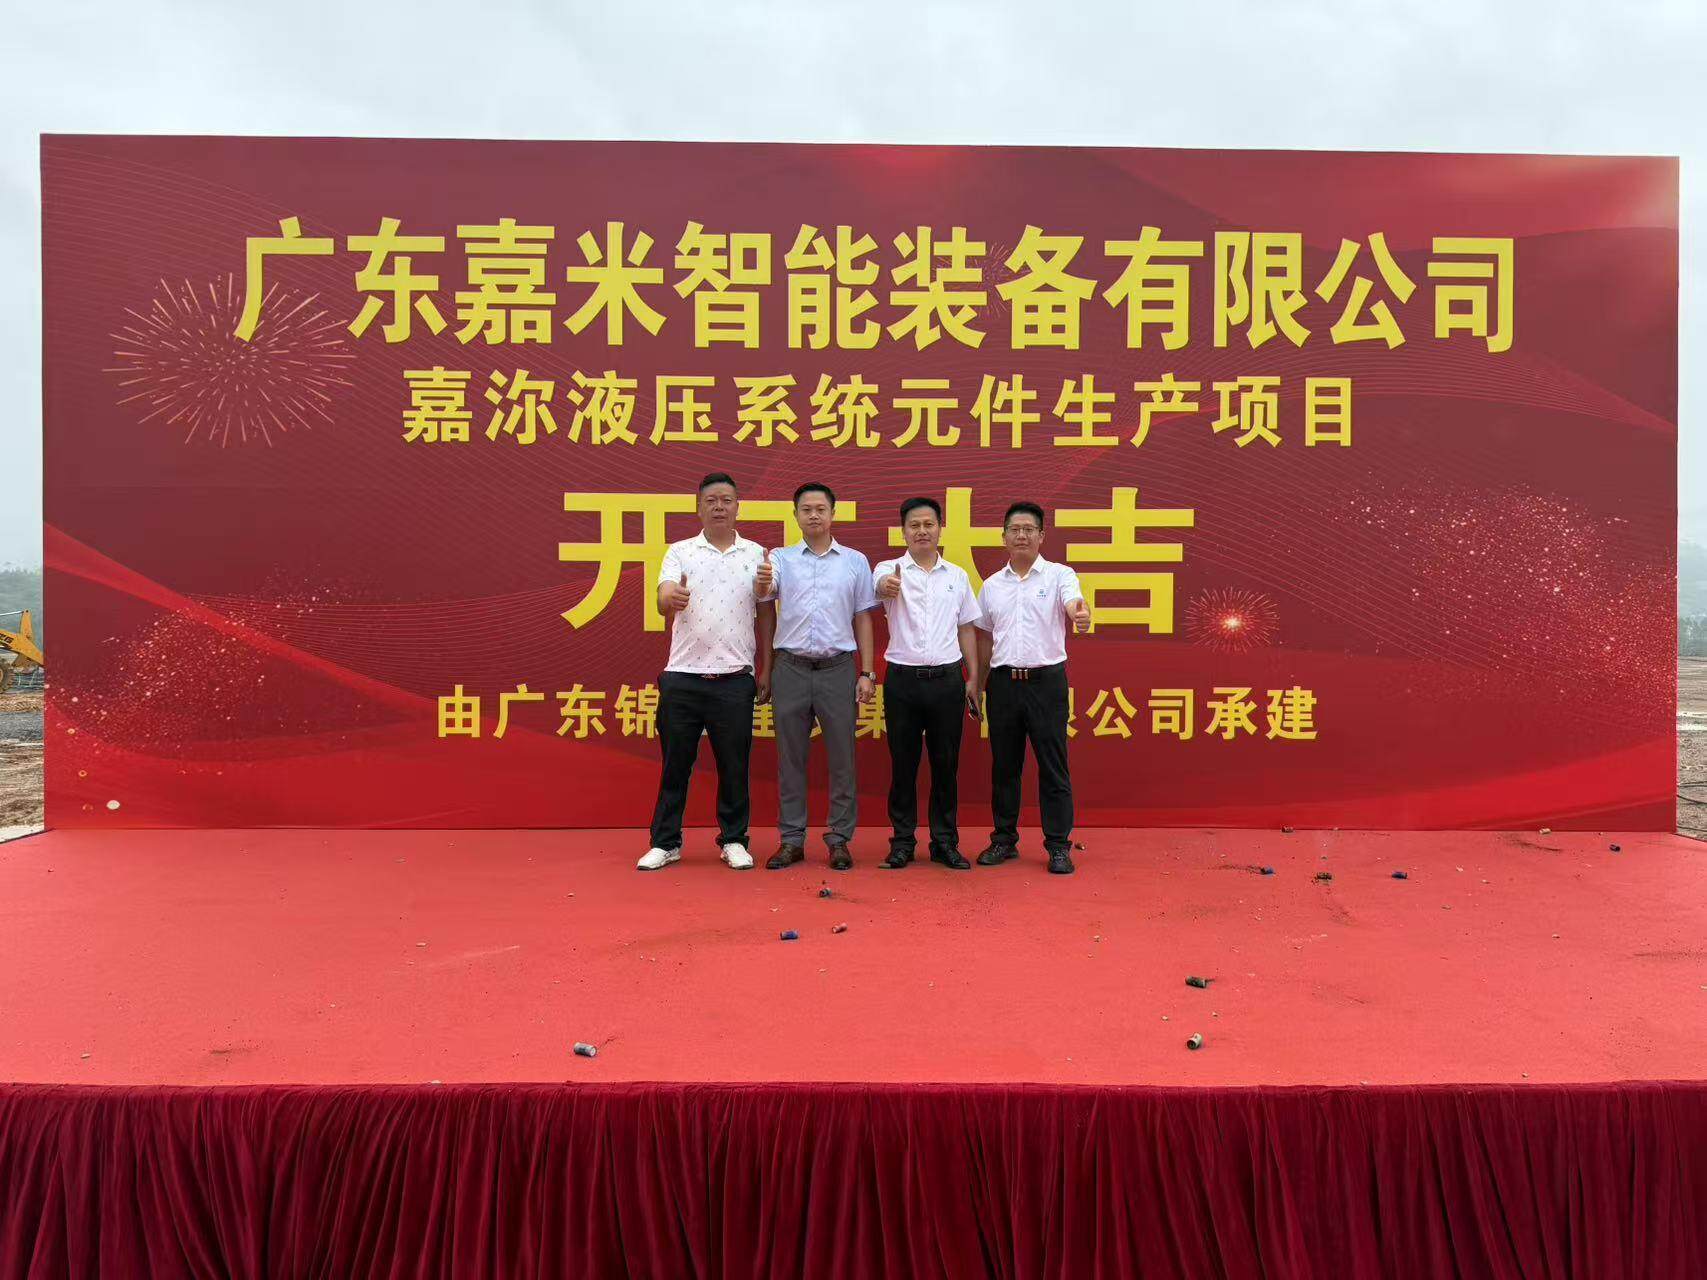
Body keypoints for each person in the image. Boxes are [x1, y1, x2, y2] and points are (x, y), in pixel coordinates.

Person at [637, 472, 773, 872]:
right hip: (683, 676)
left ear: (737, 507)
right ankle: (665, 842)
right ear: (698, 508)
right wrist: (671, 597)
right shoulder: (680, 551)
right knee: (675, 765)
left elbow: (766, 611)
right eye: (711, 500)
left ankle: (734, 840)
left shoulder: (756, 554)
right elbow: (662, 597)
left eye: (726, 500)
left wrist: (766, 667)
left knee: (735, 766)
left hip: (734, 677)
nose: (719, 507)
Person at [756, 482, 877, 871]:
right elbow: (766, 596)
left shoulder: (855, 561)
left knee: (842, 759)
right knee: (790, 759)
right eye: (805, 509)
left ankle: (839, 840)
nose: (813, 515)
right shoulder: (781, 558)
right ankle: (791, 839)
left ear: (832, 514)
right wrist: (767, 668)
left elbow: (863, 617)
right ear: (795, 515)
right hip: (790, 667)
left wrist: (867, 672)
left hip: (837, 669)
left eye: (820, 509)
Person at [973, 501, 1093, 875]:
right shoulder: (992, 586)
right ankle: (1004, 840)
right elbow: (985, 638)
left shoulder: (1059, 576)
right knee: (1005, 767)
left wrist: (1079, 614)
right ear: (1004, 537)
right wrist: (977, 682)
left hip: (1046, 684)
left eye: (1029, 529)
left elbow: (1073, 603)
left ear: (1041, 535)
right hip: (1003, 684)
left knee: (1053, 766)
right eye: (1015, 529)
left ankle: (1058, 845)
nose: (1021, 535)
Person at [872, 497, 982, 871]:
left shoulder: (957, 576)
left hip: (947, 680)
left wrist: (973, 677)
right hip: (902, 681)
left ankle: (944, 842)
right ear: (903, 531)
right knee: (903, 765)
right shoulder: (889, 569)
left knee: (945, 764)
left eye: (929, 524)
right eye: (914, 525)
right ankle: (902, 842)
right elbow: (879, 586)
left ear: (940, 529)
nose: (922, 531)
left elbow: (966, 628)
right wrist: (887, 585)